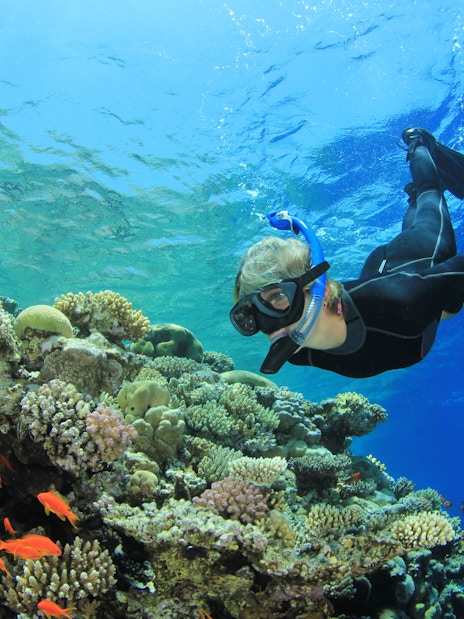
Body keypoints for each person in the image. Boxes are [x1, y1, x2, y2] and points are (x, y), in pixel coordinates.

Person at [230, 128, 464, 377]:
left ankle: (419, 144)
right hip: (380, 270)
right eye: (250, 311)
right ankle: (413, 199)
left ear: (325, 289)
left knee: (430, 196)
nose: (267, 326)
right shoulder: (299, 354)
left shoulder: (403, 302)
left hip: (418, 254)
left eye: (278, 296)